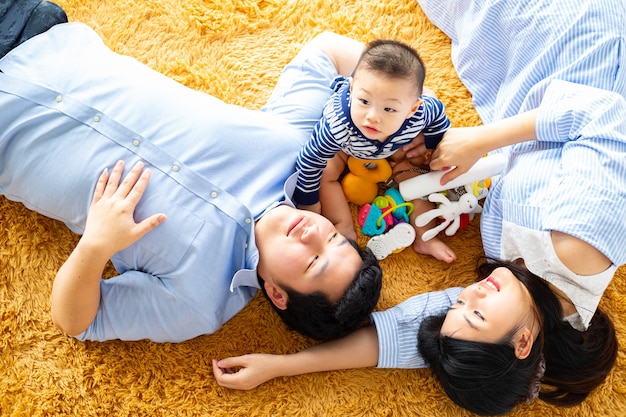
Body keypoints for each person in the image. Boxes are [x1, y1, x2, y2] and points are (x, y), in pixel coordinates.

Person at [213, 0, 626, 414]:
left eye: (459, 306)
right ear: (522, 343)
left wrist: (283, 366)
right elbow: (610, 117)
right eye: (475, 314)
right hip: (576, 43)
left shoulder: (526, 300)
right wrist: (478, 141)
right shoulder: (577, 246)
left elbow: (400, 334)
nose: (468, 295)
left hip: (513, 69)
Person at [0, 2, 383, 343]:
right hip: (34, 33)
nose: (313, 232)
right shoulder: (300, 154)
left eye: (313, 261)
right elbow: (329, 51)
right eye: (333, 237)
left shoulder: (196, 303)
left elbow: (77, 322)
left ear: (278, 294)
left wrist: (96, 244)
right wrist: (410, 118)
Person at [293, 38, 454, 262]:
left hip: (392, 146)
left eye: (389, 108)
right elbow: (310, 161)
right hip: (347, 148)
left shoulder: (422, 113)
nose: (373, 117)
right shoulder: (337, 125)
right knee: (325, 173)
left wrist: (433, 145)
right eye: (364, 101)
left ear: (412, 109)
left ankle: (424, 237)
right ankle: (343, 226)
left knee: (416, 176)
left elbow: (439, 120)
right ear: (351, 88)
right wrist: (308, 204)